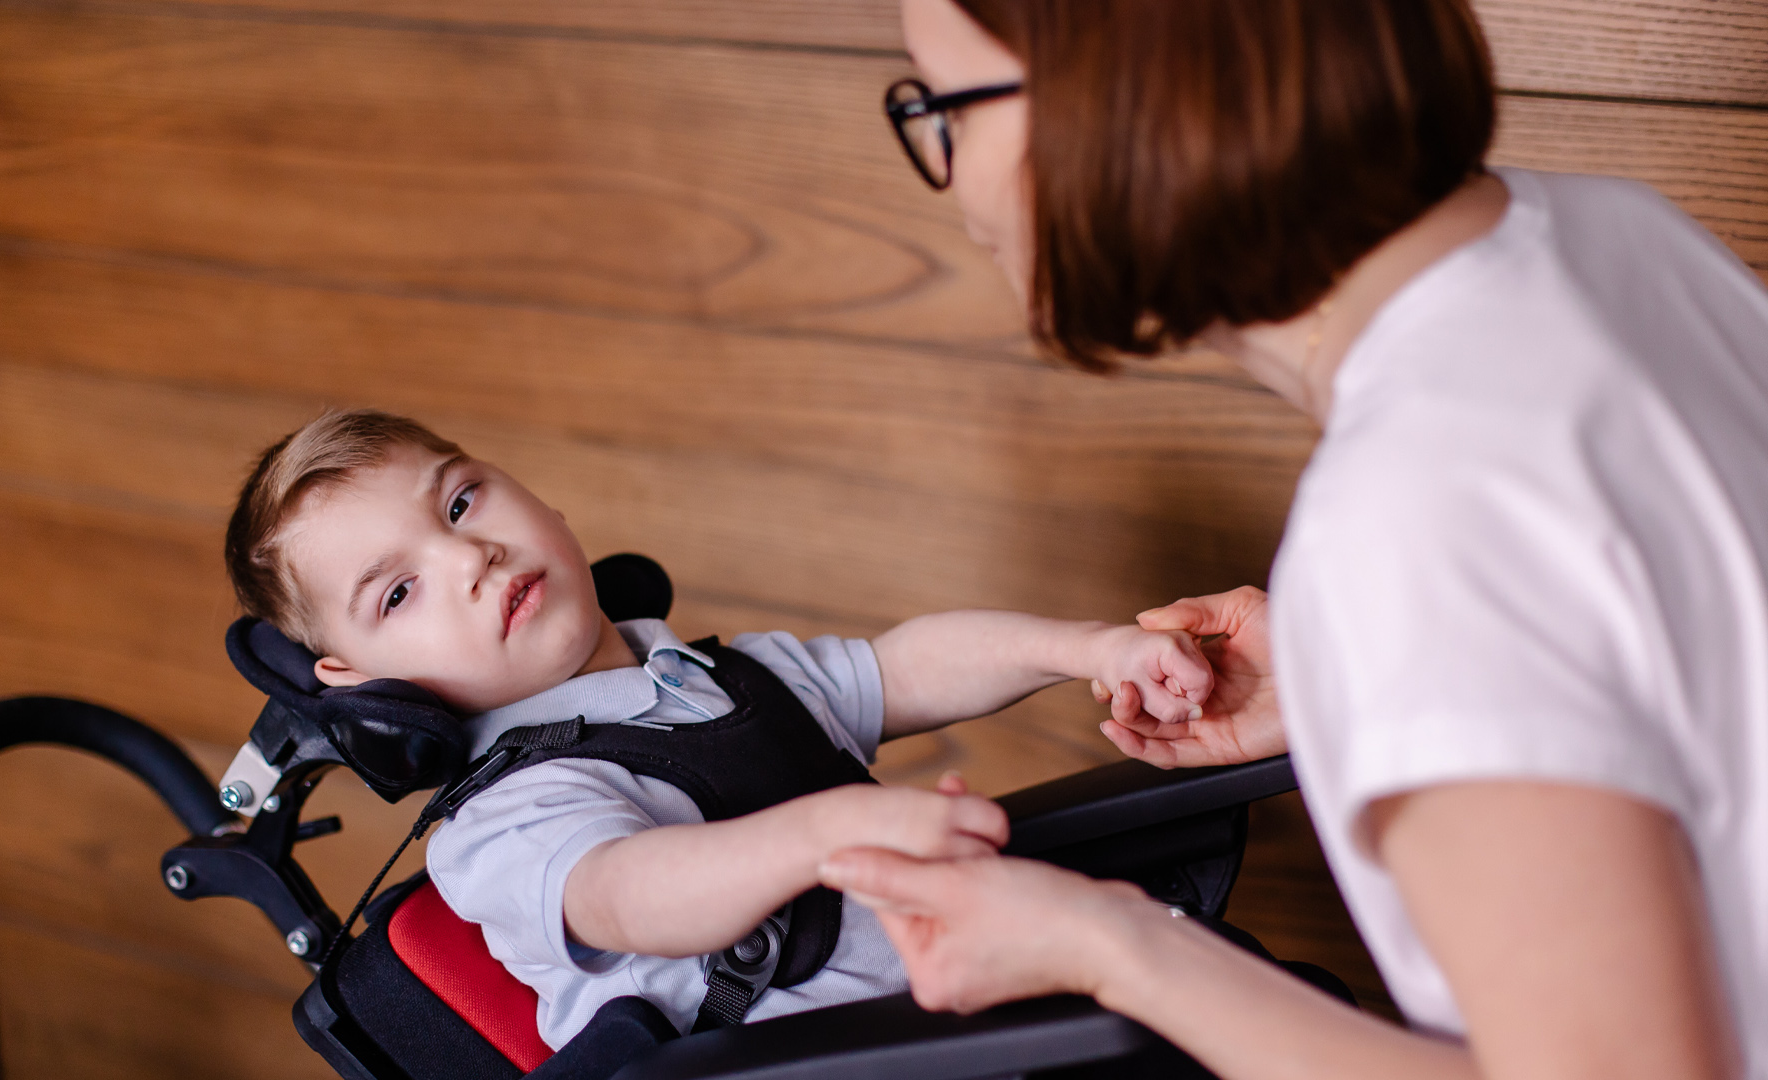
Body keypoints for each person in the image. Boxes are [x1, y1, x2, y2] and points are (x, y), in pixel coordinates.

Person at [822, 1, 1768, 1078]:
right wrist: (1370, 676)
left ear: (1123, 101)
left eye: (947, 107)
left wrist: (1115, 945)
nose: (949, 175)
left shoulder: (1416, 513)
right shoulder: (1619, 234)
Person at [221, 407, 1215, 1048]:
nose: (470, 555)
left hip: (982, 1014)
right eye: (399, 592)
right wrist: (820, 838)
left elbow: (909, 665)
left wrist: (1092, 651)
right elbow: (625, 897)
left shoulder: (710, 677)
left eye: (462, 498)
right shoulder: (505, 821)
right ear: (359, 683)